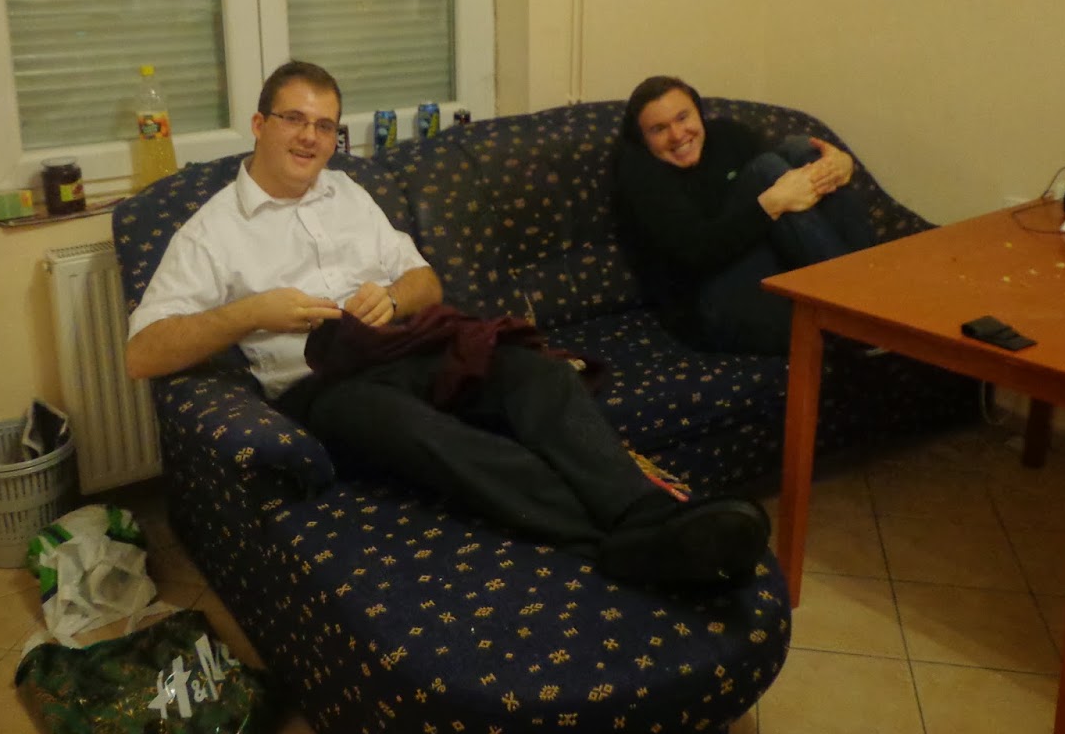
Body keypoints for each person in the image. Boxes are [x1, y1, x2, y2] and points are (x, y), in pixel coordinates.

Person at [126, 61, 770, 590]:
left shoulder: (347, 194)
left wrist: (393, 298)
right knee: (425, 432)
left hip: (405, 346)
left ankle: (645, 512)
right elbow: (143, 354)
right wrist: (250, 312)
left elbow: (425, 281)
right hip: (324, 387)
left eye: (324, 125)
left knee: (536, 376)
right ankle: (622, 542)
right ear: (259, 124)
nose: (309, 138)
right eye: (293, 118)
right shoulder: (212, 230)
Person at [614, 76, 876, 355]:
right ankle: (865, 318)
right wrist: (770, 204)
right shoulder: (639, 173)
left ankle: (872, 298)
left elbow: (789, 175)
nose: (678, 135)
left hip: (758, 265)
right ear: (642, 139)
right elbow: (697, 251)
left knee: (805, 151)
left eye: (683, 117)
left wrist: (841, 165)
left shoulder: (727, 135)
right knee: (766, 171)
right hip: (706, 300)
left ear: (698, 112)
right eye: (659, 129)